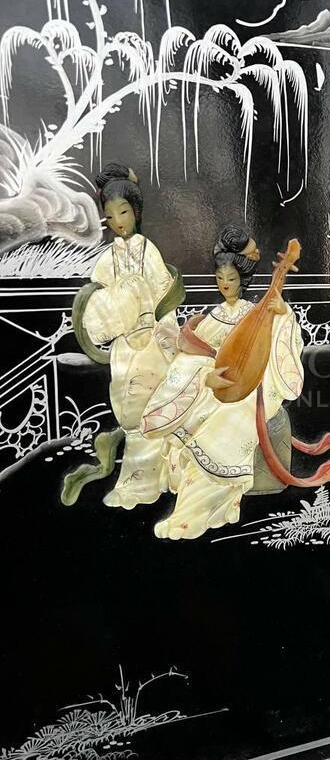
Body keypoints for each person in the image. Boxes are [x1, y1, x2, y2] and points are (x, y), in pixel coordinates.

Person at [142, 227, 304, 540]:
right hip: (215, 388)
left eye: (231, 279)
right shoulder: (214, 317)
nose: (225, 284)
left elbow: (275, 348)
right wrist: (206, 378)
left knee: (223, 430)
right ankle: (209, 509)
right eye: (220, 278)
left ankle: (190, 517)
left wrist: (284, 313)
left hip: (253, 388)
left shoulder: (253, 313)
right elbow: (190, 358)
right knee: (197, 425)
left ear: (243, 280)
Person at [66, 163, 182, 508]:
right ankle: (135, 481)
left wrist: (166, 335)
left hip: (152, 342)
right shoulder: (108, 258)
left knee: (153, 409)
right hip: (125, 346)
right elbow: (98, 302)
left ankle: (162, 477)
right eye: (110, 216)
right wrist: (114, 312)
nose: (118, 221)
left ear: (136, 212)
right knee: (130, 411)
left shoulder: (148, 251)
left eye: (124, 212)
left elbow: (163, 296)